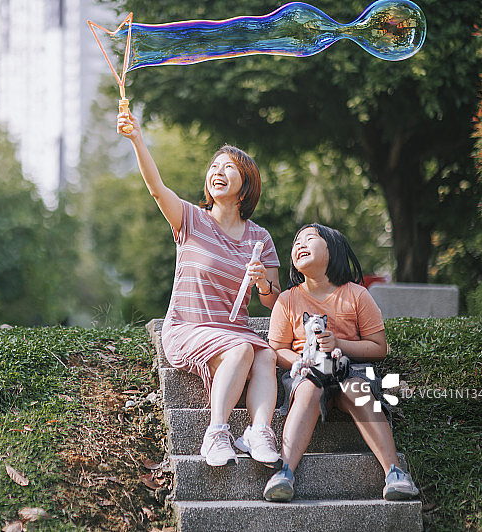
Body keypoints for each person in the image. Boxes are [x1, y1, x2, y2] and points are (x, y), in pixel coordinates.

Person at [117, 109, 282, 468]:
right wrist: (136, 139)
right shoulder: (191, 219)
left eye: (228, 168)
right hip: (188, 327)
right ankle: (216, 433)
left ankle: (258, 431)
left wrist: (261, 281)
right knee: (241, 350)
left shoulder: (260, 238)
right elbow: (157, 189)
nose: (217, 172)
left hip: (232, 330)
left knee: (266, 355)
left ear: (246, 185)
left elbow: (273, 301)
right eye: (214, 167)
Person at [264, 223, 419, 501]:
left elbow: (379, 347)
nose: (299, 245)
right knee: (309, 390)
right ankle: (284, 471)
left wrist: (339, 344)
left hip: (350, 369)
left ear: (332, 249)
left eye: (309, 239)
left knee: (357, 391)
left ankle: (395, 471)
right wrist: (301, 361)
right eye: (296, 242)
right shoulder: (287, 300)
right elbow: (276, 350)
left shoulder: (357, 294)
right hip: (308, 373)